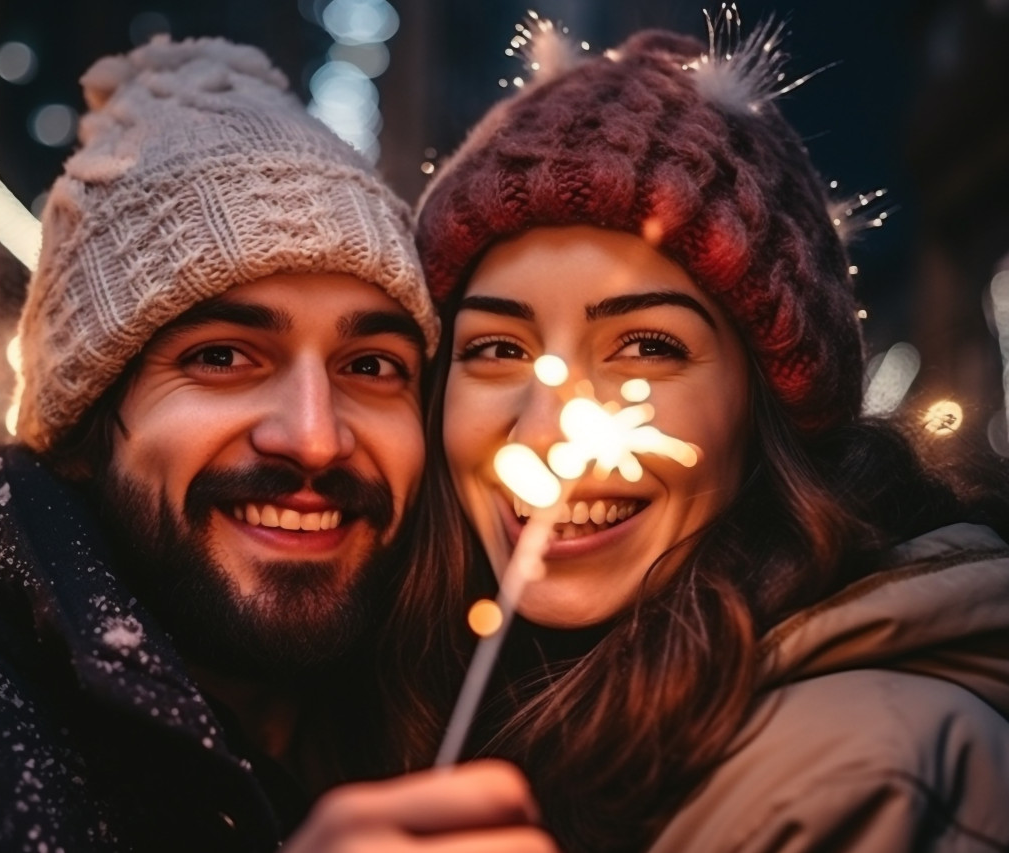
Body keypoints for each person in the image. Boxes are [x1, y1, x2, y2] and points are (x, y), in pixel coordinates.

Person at [0, 37, 557, 853]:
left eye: (371, 364)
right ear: (84, 429)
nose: (314, 437)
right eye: (222, 357)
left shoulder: (436, 706)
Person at [390, 16, 1009, 853]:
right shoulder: (431, 691)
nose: (550, 429)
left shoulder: (859, 781)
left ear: (762, 409)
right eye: (498, 348)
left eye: (647, 345)